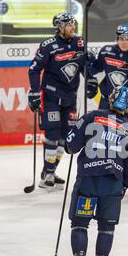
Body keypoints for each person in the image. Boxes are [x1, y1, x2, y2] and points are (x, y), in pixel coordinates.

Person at [64, 84, 128, 256]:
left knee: (80, 223)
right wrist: (123, 184)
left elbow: (71, 145)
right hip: (112, 183)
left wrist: (72, 136)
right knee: (107, 227)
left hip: (88, 179)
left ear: (109, 99)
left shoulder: (92, 116)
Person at [27, 12, 98, 192]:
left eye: (73, 24)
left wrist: (90, 78)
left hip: (70, 97)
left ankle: (49, 171)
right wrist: (35, 92)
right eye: (68, 25)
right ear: (59, 27)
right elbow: (34, 70)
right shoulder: (48, 46)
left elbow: (84, 65)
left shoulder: (79, 42)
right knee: (52, 134)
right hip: (51, 96)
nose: (72, 27)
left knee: (66, 138)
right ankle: (48, 174)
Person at [87, 23, 128, 195]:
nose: (125, 41)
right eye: (122, 38)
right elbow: (93, 70)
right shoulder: (106, 51)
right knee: (104, 139)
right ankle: (103, 172)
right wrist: (88, 72)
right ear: (117, 38)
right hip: (107, 105)